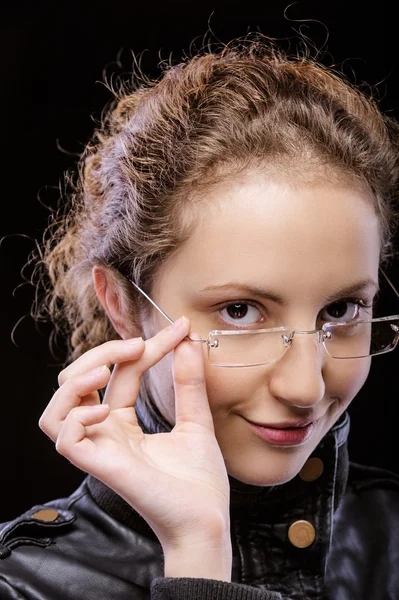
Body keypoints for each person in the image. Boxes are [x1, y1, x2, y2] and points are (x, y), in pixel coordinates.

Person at [1, 36, 399, 600]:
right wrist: (198, 553)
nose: (306, 386)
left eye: (342, 309)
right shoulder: (20, 586)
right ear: (124, 304)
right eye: (240, 311)